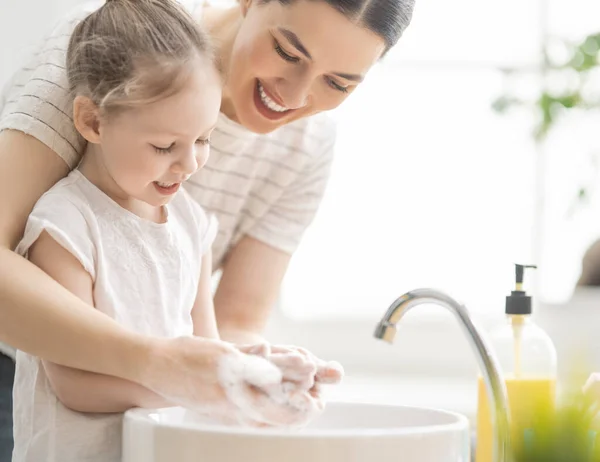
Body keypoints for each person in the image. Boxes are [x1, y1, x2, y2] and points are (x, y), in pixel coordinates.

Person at [0, 0, 414, 456]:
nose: (295, 97)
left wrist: (261, 371)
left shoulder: (301, 154)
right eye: (288, 53)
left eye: (338, 83)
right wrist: (169, 372)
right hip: (26, 365)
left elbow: (233, 322)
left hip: (150, 421)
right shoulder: (120, 46)